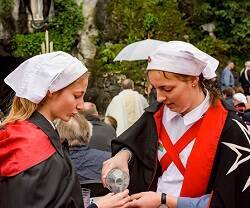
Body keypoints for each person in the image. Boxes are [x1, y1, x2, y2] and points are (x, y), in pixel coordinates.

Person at [102, 41, 250, 208]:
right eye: (156, 88)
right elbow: (137, 145)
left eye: (167, 89)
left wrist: (164, 200)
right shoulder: (156, 114)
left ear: (193, 79)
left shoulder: (230, 128)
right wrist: (123, 156)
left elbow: (232, 198)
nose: (159, 97)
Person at [0, 51, 130, 208]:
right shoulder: (34, 144)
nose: (81, 105)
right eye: (76, 96)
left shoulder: (23, 132)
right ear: (51, 92)